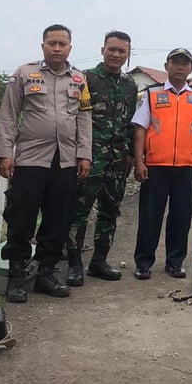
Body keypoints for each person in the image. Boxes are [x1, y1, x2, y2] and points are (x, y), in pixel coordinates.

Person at [0, 24, 93, 303]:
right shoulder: (24, 73)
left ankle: (46, 273)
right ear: (43, 46)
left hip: (66, 159)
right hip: (30, 157)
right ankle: (16, 274)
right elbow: (9, 114)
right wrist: (5, 153)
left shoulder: (79, 79)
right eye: (52, 43)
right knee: (21, 216)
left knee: (59, 218)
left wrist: (85, 154)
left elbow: (84, 118)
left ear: (70, 48)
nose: (57, 48)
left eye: (62, 44)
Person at [132, 48, 192, 280]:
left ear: (191, 69)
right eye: (175, 62)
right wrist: (139, 162)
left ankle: (175, 263)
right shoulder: (152, 94)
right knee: (150, 216)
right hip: (155, 167)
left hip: (184, 168)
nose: (179, 67)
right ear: (166, 66)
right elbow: (139, 131)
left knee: (180, 218)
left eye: (184, 63)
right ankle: (143, 263)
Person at [66, 31, 137, 286]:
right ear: (102, 50)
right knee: (79, 212)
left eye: (122, 51)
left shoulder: (130, 85)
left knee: (110, 212)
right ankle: (74, 264)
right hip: (89, 159)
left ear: (128, 54)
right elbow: (73, 118)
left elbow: (130, 122)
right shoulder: (86, 79)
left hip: (118, 161)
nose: (116, 55)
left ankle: (99, 261)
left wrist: (131, 154)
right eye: (112, 49)